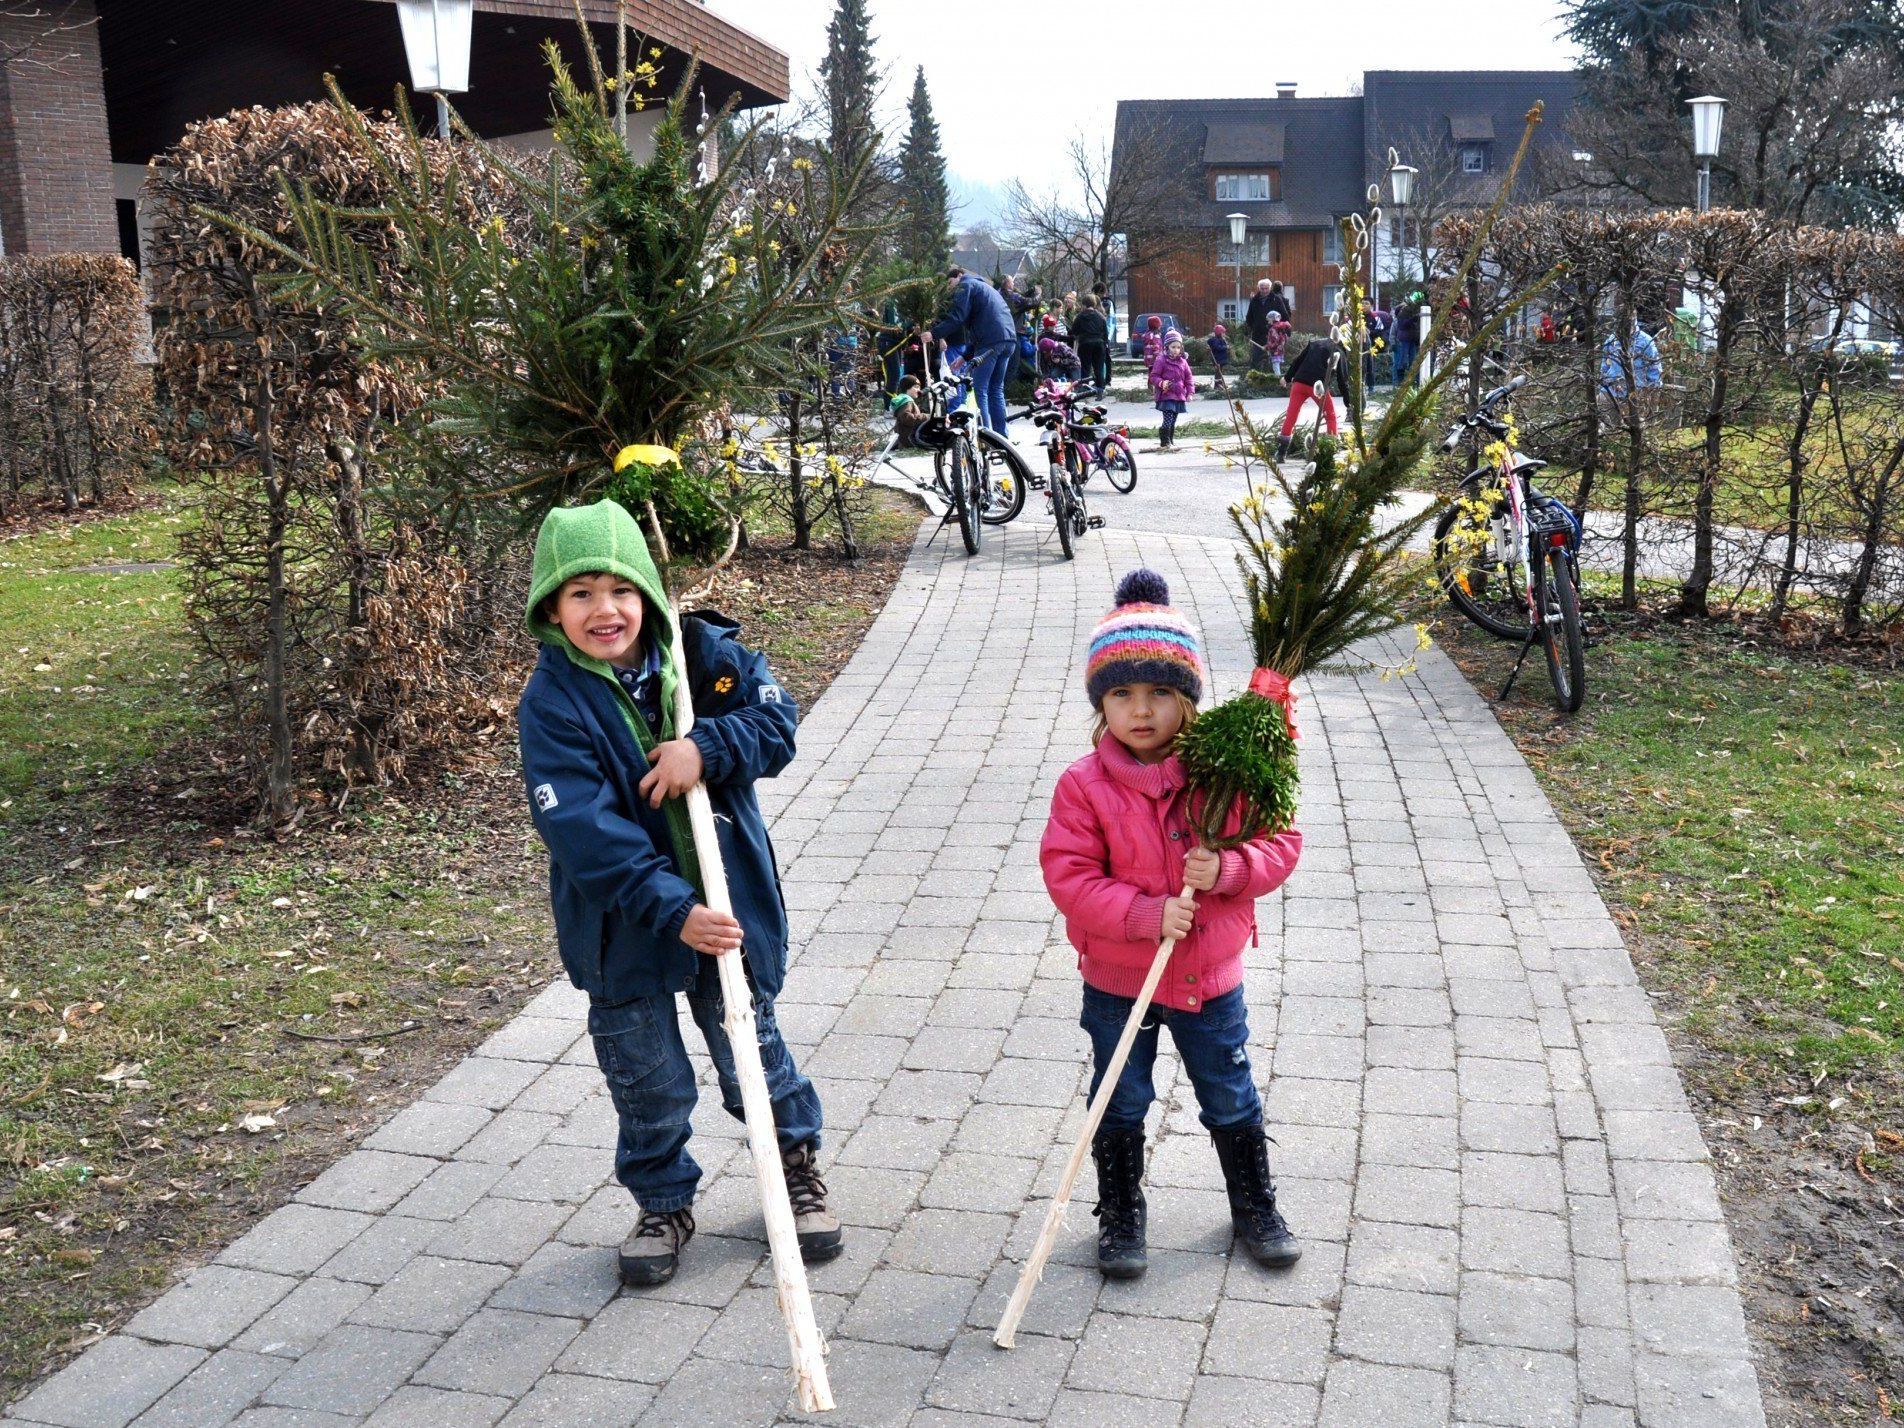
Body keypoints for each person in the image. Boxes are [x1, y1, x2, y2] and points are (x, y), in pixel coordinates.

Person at [516, 498, 841, 1289]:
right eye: (581, 592)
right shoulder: (552, 705)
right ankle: (663, 1199)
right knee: (646, 1077)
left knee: (752, 1052)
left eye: (621, 589)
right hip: (627, 925)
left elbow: (777, 725)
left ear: (649, 594)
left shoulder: (707, 657)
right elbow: (584, 832)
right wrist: (671, 910)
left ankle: (792, 1168)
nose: (606, 609)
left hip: (725, 908)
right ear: (552, 610)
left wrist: (706, 745)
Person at [1041, 568, 1304, 1280]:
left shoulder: (1224, 773)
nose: (1142, 710)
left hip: (1209, 977)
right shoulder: (1082, 786)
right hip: (1119, 977)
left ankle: (1254, 1201)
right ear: (1102, 704)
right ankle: (1121, 1213)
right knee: (1120, 1094)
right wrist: (1147, 913)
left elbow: (1282, 842)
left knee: (1228, 1089)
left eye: (1160, 691)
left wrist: (1228, 871)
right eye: (1122, 694)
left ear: (1187, 698)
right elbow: (1069, 877)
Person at [929, 264, 1016, 435]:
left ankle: (985, 436)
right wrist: (965, 356)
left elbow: (957, 317)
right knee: (996, 389)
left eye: (949, 283)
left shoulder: (965, 286)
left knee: (979, 389)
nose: (949, 289)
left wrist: (934, 333)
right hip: (1008, 340)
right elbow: (983, 324)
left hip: (990, 342)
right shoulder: (985, 288)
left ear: (958, 277)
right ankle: (1001, 436)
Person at [1276, 334, 1346, 460]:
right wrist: (1348, 401)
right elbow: (1342, 379)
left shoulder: (1315, 343)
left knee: (1291, 416)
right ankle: (1330, 449)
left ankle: (1281, 452)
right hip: (1318, 386)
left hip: (1299, 382)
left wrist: (1286, 377)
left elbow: (1298, 360)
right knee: (1330, 415)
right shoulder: (1338, 351)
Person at [1149, 330, 1194, 450]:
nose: (1176, 350)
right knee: (1168, 419)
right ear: (1167, 347)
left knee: (1173, 420)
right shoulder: (1161, 360)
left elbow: (1189, 378)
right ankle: (1165, 442)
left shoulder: (1183, 362)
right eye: (1173, 347)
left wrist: (1190, 392)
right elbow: (1154, 376)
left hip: (1179, 395)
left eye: (1178, 347)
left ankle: (1170, 440)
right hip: (1166, 395)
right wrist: (1161, 382)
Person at [1599, 318, 1663, 398]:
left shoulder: (1646, 341)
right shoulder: (1611, 340)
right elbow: (1605, 366)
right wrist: (1605, 385)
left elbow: (1655, 375)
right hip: (1610, 394)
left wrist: (1651, 398)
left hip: (1636, 396)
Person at [1071, 294, 1111, 391]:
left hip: (1085, 344)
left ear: (1084, 305)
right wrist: (1104, 343)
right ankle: (1100, 389)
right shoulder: (1100, 316)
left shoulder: (1080, 317)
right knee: (1099, 368)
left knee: (1085, 367)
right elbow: (1106, 332)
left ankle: (1085, 388)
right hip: (1099, 344)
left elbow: (1074, 331)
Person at [1038, 314, 1083, 382]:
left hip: (1072, 365)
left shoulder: (1060, 345)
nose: (1054, 327)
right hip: (1054, 362)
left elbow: (1074, 361)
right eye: (1051, 326)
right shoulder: (1042, 337)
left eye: (1054, 325)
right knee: (1051, 375)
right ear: (1047, 327)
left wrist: (1073, 337)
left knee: (1076, 382)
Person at [1391, 290, 1422, 384]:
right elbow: (1401, 327)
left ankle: (1413, 382)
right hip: (1403, 341)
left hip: (1411, 341)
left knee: (1412, 361)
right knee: (1401, 362)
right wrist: (1393, 344)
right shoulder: (1400, 319)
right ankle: (1398, 383)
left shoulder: (1413, 316)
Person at [1244, 279, 1275, 371]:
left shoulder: (1275, 299)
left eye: (1266, 288)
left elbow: (1284, 315)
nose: (1264, 291)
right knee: (1256, 357)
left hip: (1273, 334)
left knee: (1272, 358)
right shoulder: (1254, 300)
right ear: (1259, 288)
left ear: (1270, 288)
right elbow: (1249, 316)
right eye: (1262, 288)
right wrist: (1250, 328)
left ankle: (1272, 378)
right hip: (1257, 334)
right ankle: (1254, 377)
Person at [889, 374, 926, 447]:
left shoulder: (905, 400)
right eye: (916, 387)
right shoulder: (907, 402)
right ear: (907, 388)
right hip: (908, 438)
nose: (919, 390)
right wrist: (925, 417)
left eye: (919, 387)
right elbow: (906, 417)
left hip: (904, 436)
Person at [1207, 323, 1232, 392]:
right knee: (1218, 372)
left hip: (1221, 358)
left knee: (1220, 371)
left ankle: (1220, 383)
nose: (1224, 334)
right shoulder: (1215, 340)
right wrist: (1226, 347)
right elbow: (1218, 348)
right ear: (1219, 333)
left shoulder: (1221, 339)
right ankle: (1217, 385)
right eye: (1223, 332)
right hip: (1217, 359)